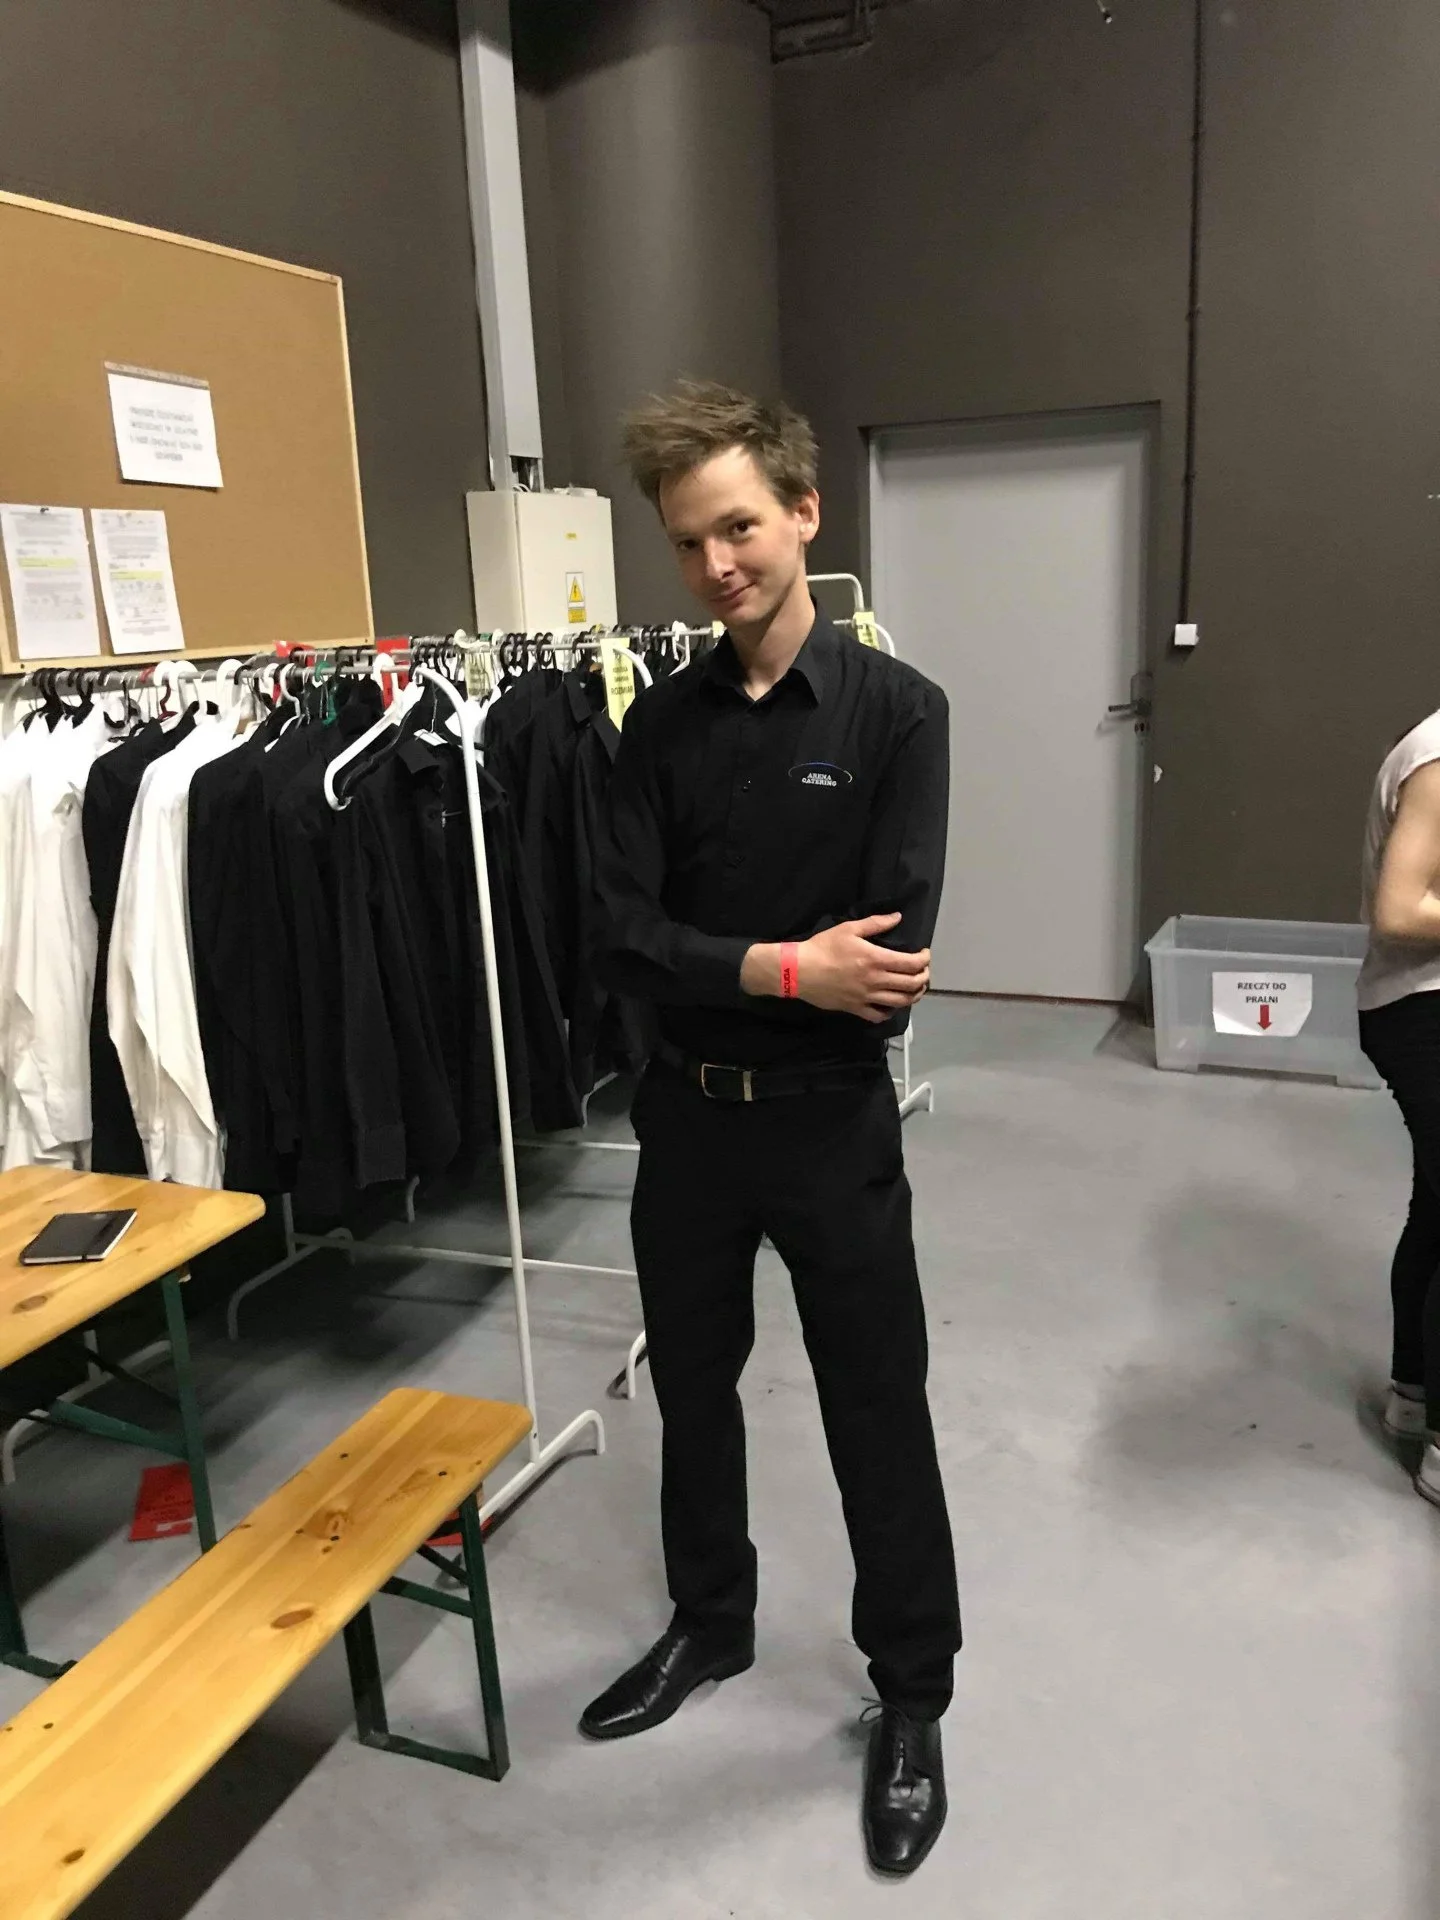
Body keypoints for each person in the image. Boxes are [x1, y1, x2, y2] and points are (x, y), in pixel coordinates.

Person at [583, 379, 961, 1877]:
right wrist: (782, 966)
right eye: (688, 543)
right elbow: (617, 934)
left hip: (828, 1129)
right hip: (687, 1124)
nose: (718, 564)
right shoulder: (653, 728)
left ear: (804, 513)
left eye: (739, 526)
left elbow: (894, 963)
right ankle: (711, 1623)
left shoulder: (899, 715)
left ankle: (914, 1696)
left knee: (879, 1407)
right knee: (695, 1386)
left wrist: (754, 969)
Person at [1358, 708, 1440, 1506]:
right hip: (1420, 1012)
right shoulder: (1439, 758)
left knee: (1437, 1210)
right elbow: (1400, 912)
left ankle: (1414, 1392)